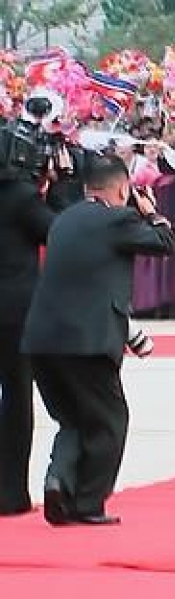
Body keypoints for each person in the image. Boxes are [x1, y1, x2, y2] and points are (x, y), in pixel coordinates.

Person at [21, 153, 175, 526]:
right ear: (123, 188)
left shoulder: (63, 221)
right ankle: (88, 502)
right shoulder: (118, 218)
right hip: (87, 340)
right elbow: (166, 243)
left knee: (72, 418)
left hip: (43, 337)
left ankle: (58, 480)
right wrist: (150, 212)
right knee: (109, 420)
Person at [0, 168, 55, 516]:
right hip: (12, 312)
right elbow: (58, 231)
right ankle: (10, 493)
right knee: (17, 398)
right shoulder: (21, 197)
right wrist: (60, 189)